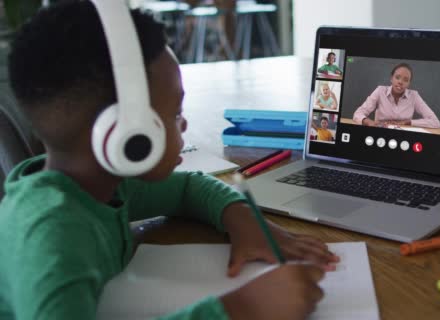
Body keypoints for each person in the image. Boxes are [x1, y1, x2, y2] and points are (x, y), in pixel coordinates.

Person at [0, 2, 339, 320]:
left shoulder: (100, 186)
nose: (184, 124)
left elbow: (188, 188)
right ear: (127, 135)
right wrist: (240, 307)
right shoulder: (52, 238)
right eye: (175, 113)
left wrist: (243, 220)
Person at [353, 63, 440, 128]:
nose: (400, 82)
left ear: (409, 83)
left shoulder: (414, 96)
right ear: (391, 78)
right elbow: (358, 114)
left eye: (405, 80)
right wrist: (368, 122)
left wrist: (408, 122)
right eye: (397, 77)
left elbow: (435, 122)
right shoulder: (380, 91)